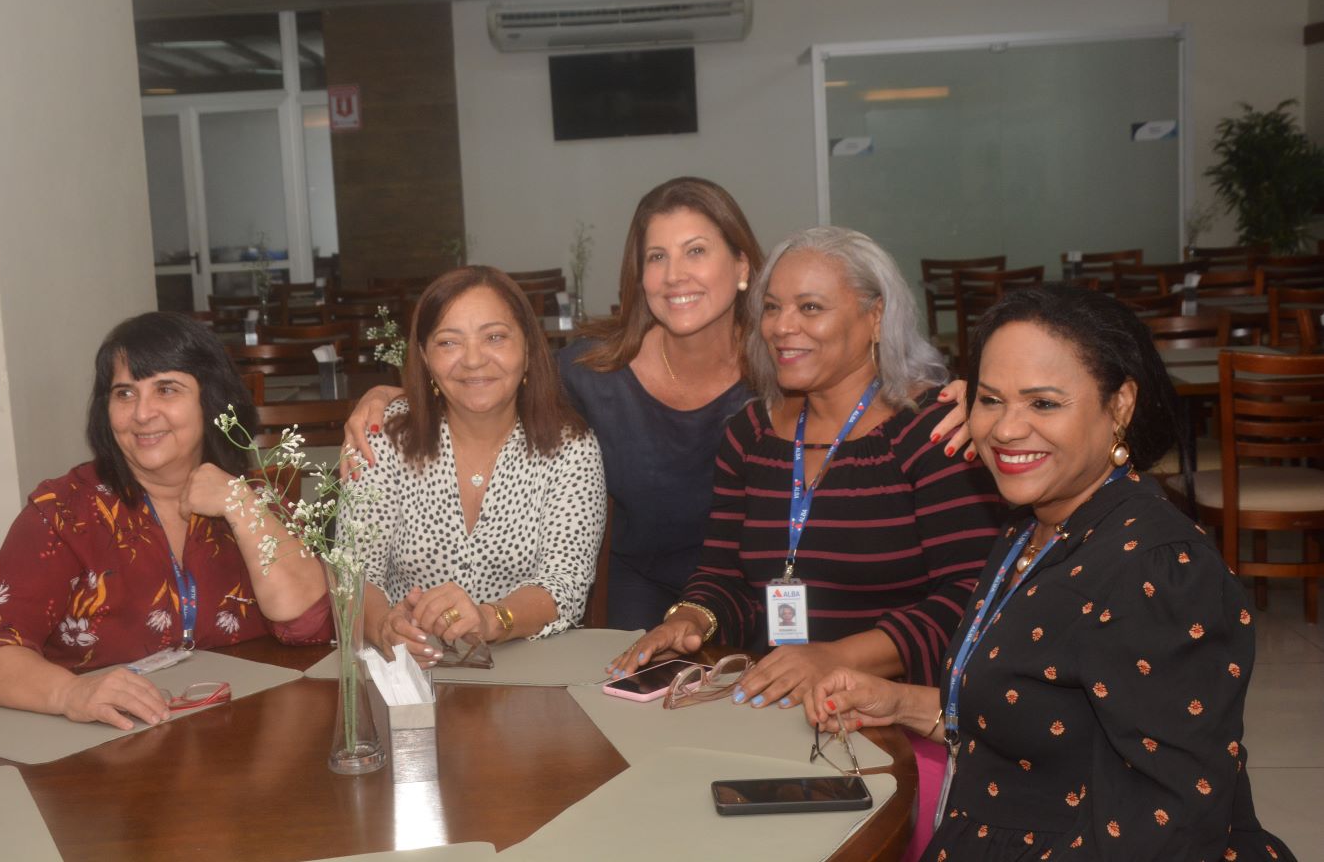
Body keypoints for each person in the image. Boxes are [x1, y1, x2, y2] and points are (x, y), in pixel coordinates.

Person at [345, 178, 976, 629]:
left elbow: (890, 385)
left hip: (771, 596)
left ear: (742, 267)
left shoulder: (789, 364)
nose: (675, 275)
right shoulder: (592, 376)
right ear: (639, 276)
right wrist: (395, 395)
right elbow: (490, 383)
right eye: (657, 257)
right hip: (644, 597)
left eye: (696, 251)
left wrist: (978, 403)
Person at [806, 284, 1296, 861]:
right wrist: (900, 703)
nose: (1006, 429)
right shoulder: (1034, 527)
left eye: (1043, 403)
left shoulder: (1156, 571)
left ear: (1120, 405)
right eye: (990, 400)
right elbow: (1043, 722)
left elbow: (1170, 831)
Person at [608, 226, 1004, 861]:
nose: (782, 327)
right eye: (772, 308)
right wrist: (691, 618)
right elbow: (725, 573)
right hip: (774, 712)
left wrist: (836, 657)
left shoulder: (932, 431)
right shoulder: (749, 434)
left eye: (810, 307)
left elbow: (969, 600)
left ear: (875, 317)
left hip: (899, 725)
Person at [0, 313, 333, 731]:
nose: (142, 413)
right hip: (89, 744)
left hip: (231, 737)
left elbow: (308, 625)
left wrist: (243, 506)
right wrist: (70, 693)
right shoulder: (64, 512)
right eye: (125, 393)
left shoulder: (252, 498)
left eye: (166, 389)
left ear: (210, 401)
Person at [359, 266, 605, 665]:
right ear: (424, 357)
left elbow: (565, 585)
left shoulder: (571, 448)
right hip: (408, 671)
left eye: (494, 337)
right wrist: (384, 626)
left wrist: (490, 619)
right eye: (448, 342)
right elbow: (354, 572)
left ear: (528, 348)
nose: (473, 360)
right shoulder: (384, 438)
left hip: (529, 672)